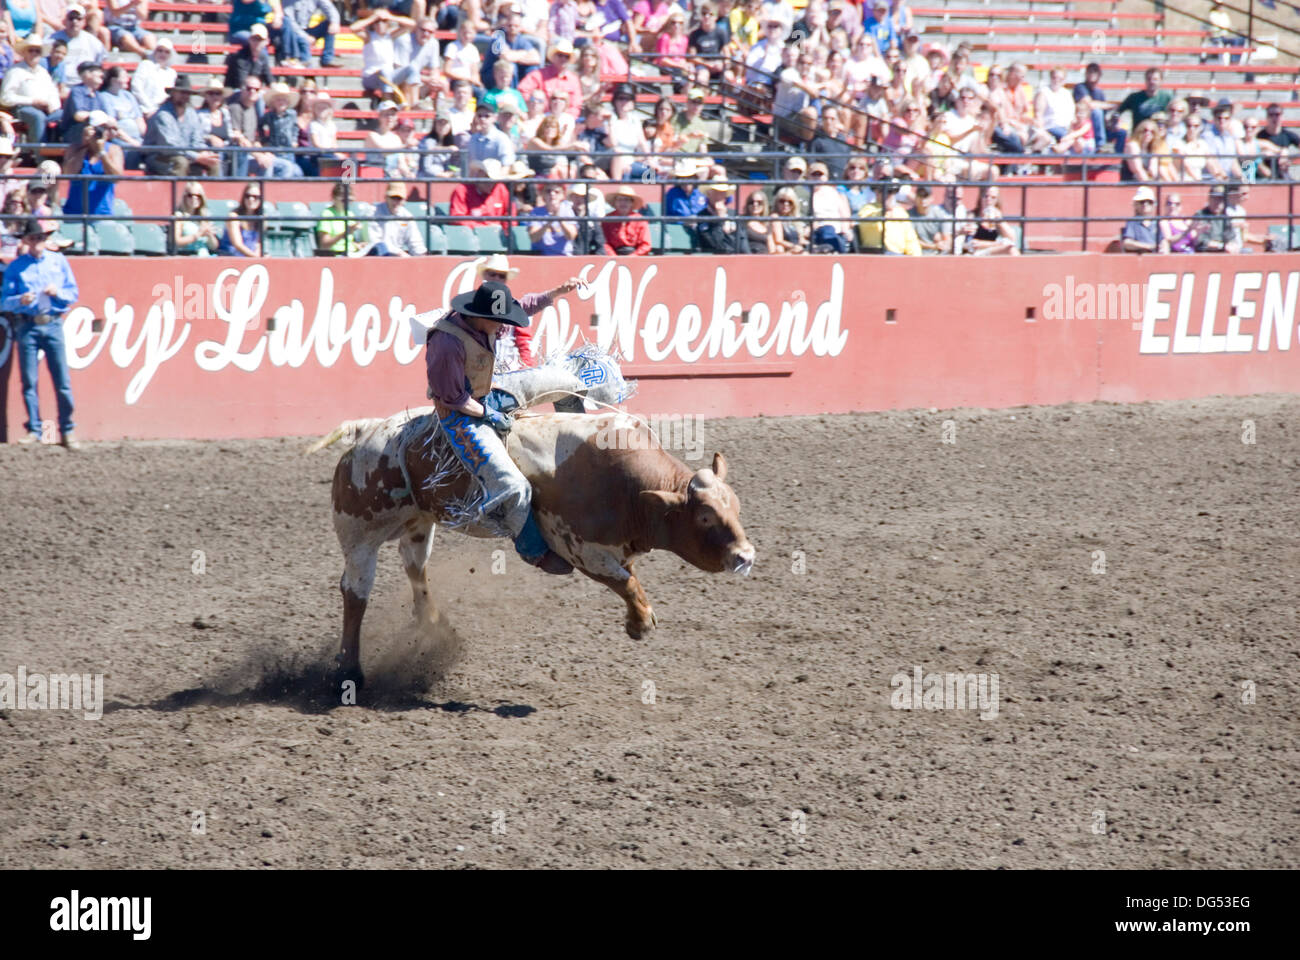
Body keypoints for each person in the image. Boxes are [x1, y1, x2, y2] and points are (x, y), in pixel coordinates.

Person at [423, 278, 579, 574]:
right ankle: (532, 549)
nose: (504, 327)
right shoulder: (447, 343)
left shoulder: (485, 320)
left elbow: (523, 306)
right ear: (481, 316)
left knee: (562, 380)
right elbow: (454, 398)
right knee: (512, 484)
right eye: (499, 322)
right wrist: (488, 415)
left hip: (488, 391)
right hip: (460, 415)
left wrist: (555, 293)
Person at [3, 218, 80, 448]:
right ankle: (34, 429)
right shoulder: (16, 267)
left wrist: (58, 292)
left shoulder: (58, 262)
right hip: (27, 324)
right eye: (35, 238)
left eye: (42, 238)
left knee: (62, 380)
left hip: (53, 322)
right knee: (29, 380)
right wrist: (19, 300)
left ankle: (67, 429)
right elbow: (4, 301)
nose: (38, 242)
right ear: (26, 240)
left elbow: (72, 293)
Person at [143, 75, 221, 176]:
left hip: (185, 154)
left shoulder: (191, 113)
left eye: (188, 93)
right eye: (182, 92)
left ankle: (211, 191)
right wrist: (196, 157)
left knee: (213, 163)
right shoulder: (163, 115)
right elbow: (170, 147)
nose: (185, 96)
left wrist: (204, 152)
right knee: (180, 162)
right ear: (173, 93)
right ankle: (176, 191)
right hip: (158, 156)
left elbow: (197, 140)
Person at [62, 110, 123, 219]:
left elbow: (116, 178)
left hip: (102, 215)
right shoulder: (74, 149)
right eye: (97, 128)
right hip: (73, 214)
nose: (100, 132)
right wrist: (84, 146)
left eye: (104, 128)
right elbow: (68, 173)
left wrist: (102, 152)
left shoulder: (114, 150)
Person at [2, 36, 60, 146]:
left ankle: (60, 154)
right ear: (24, 52)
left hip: (46, 109)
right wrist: (32, 101)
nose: (34, 53)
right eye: (31, 50)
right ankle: (40, 156)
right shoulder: (15, 71)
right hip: (21, 109)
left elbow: (53, 93)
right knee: (38, 117)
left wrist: (52, 106)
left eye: (37, 51)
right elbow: (6, 98)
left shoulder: (44, 73)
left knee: (61, 116)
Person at [856, 179, 921, 255]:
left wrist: (916, 258)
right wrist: (884, 211)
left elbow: (910, 239)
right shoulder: (867, 208)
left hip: (898, 256)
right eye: (883, 192)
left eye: (890, 192)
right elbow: (866, 222)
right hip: (875, 254)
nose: (887, 195)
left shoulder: (900, 212)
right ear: (876, 193)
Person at [369, 181, 426, 256]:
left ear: (404, 200)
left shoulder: (407, 216)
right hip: (376, 257)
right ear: (386, 197)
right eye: (393, 198)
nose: (396, 202)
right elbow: (374, 242)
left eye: (399, 198)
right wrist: (398, 252)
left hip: (398, 258)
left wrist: (421, 257)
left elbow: (416, 243)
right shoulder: (373, 212)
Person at [315, 181, 370, 255]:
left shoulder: (349, 214)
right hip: (337, 253)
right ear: (334, 198)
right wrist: (345, 233)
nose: (347, 203)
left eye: (350, 200)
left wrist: (357, 245)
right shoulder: (327, 214)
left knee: (379, 247)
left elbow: (347, 242)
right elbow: (324, 245)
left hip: (352, 252)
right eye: (344, 200)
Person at [527, 180, 577, 256]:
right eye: (548, 191)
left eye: (557, 192)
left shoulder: (568, 211)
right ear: (543, 194)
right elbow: (533, 238)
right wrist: (549, 222)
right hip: (541, 255)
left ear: (563, 195)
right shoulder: (536, 212)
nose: (552, 194)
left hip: (564, 255)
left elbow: (571, 236)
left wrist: (559, 219)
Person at [695, 181, 747, 253]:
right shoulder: (702, 216)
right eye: (715, 192)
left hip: (735, 258)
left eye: (722, 192)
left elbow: (742, 243)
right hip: (713, 259)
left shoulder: (733, 214)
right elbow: (716, 245)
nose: (719, 196)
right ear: (709, 194)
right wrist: (720, 221)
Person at [132, 36, 176, 116]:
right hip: (143, 109)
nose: (163, 54)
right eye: (160, 51)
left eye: (167, 52)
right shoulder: (145, 65)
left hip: (163, 110)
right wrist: (149, 108)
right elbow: (136, 87)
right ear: (155, 52)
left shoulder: (172, 73)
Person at [173, 179, 220, 254]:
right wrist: (198, 234)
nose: (194, 199)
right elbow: (176, 241)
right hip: (187, 256)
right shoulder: (179, 216)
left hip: (205, 256)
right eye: (190, 195)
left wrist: (210, 235)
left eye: (198, 196)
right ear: (184, 197)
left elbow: (213, 246)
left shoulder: (205, 216)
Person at [602, 184, 651, 254]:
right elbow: (604, 243)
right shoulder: (608, 219)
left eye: (626, 200)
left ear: (632, 203)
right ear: (615, 203)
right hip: (613, 255)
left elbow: (646, 244)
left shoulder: (640, 220)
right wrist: (613, 257)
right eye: (620, 200)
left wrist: (632, 257)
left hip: (636, 256)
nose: (623, 203)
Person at [217, 183, 264, 256]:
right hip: (230, 257)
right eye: (247, 196)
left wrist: (258, 256)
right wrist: (256, 258)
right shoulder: (234, 216)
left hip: (251, 257)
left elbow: (258, 244)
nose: (251, 199)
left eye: (255, 197)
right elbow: (237, 244)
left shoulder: (261, 219)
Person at [1120, 185, 1166, 253]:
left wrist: (1163, 249)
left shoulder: (1156, 222)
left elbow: (1162, 240)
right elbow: (1127, 243)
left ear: (1153, 204)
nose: (1145, 204)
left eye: (1149, 202)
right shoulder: (1132, 222)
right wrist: (1148, 246)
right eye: (1142, 202)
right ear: (1136, 204)